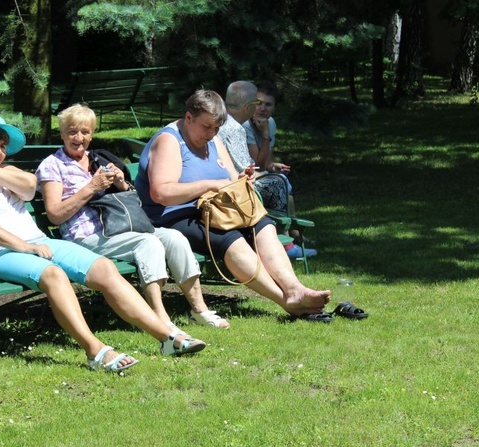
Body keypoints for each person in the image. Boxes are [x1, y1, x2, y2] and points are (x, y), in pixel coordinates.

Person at [0, 114, 206, 374]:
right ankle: (95, 350)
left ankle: (167, 337)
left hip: (36, 244)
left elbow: (29, 186)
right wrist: (23, 246)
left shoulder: (3, 172)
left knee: (103, 268)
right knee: (53, 274)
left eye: (2, 146)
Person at [134, 90, 333, 322]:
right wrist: (208, 184)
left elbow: (229, 180)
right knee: (229, 237)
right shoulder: (169, 141)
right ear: (188, 118)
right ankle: (286, 301)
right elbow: (161, 193)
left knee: (262, 224)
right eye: (207, 127)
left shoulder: (214, 140)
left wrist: (242, 177)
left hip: (216, 209)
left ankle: (294, 288)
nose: (212, 134)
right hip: (174, 216)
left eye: (217, 128)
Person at [36, 104, 230, 330]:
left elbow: (129, 200)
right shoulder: (52, 165)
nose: (79, 137)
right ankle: (160, 318)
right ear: (61, 133)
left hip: (120, 227)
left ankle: (200, 310)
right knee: (148, 243)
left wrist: (120, 184)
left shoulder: (97, 159)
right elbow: (55, 215)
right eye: (72, 132)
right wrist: (91, 187)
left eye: (85, 132)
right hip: (86, 236)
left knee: (174, 238)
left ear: (92, 133)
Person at [218, 81, 316, 259]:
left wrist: (268, 168)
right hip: (231, 189)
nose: (260, 108)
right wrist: (266, 172)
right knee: (278, 182)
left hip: (225, 185)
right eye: (257, 103)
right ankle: (283, 245)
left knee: (277, 179)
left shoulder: (226, 123)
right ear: (248, 107)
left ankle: (286, 241)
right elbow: (248, 169)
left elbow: (257, 165)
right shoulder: (234, 128)